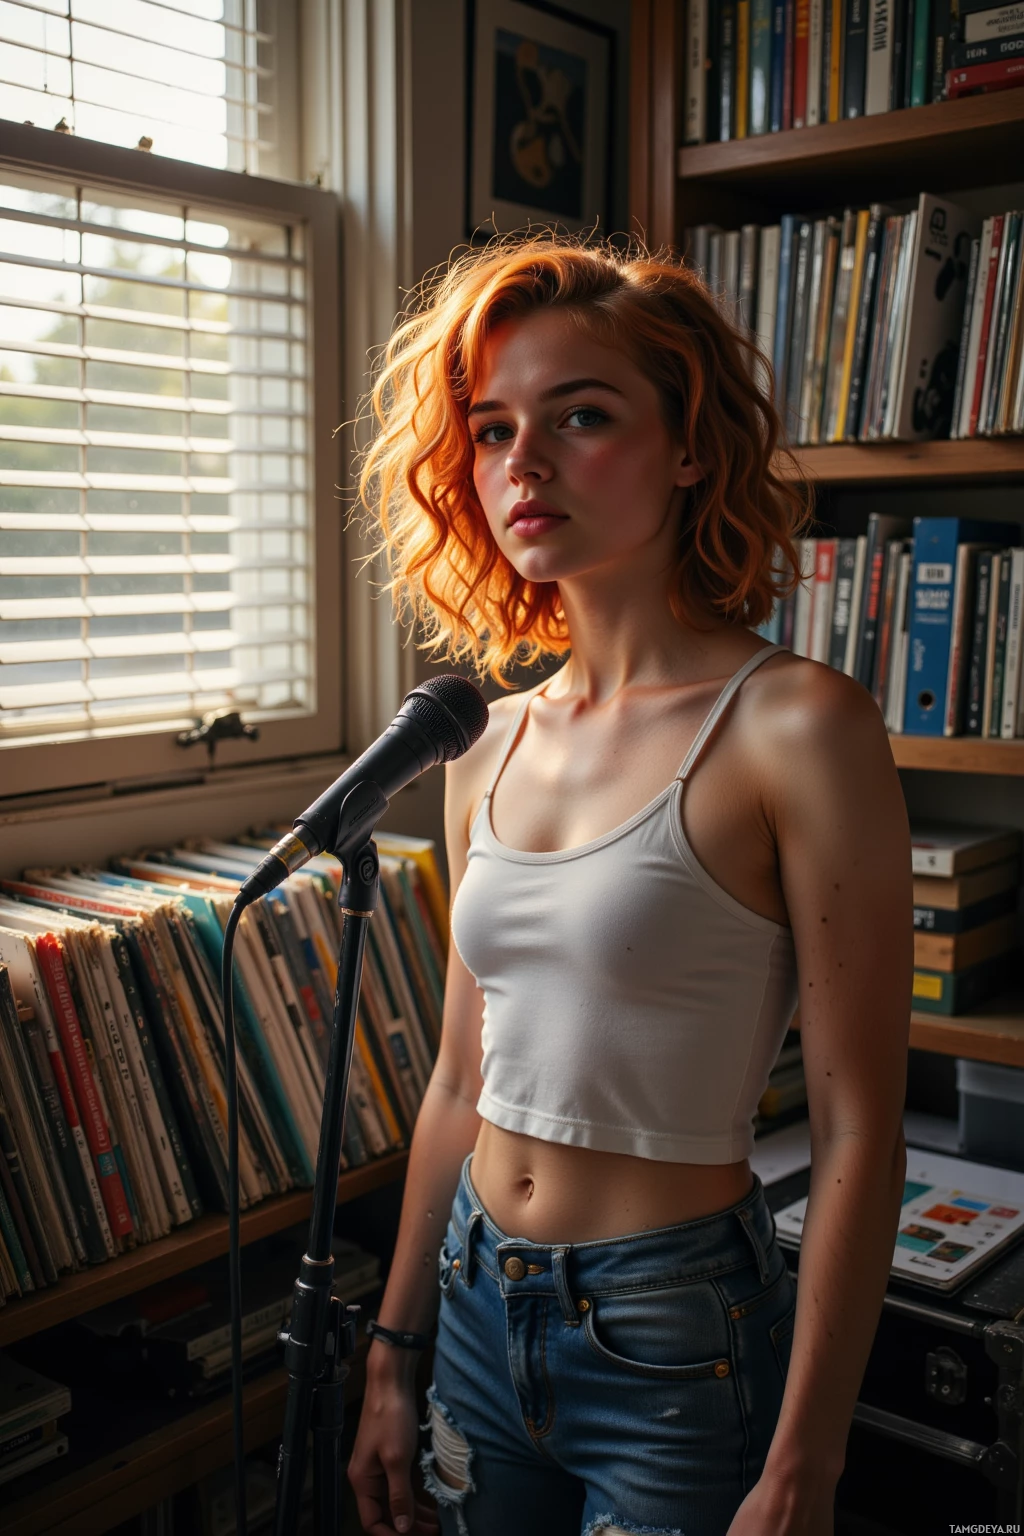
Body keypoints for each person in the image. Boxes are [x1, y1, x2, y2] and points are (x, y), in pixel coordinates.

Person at [347, 234, 912, 1536]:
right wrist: (393, 1347)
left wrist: (808, 1461)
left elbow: (859, 1130)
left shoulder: (795, 727)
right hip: (472, 1302)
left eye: (582, 415)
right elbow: (459, 1081)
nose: (523, 464)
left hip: (674, 1333)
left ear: (691, 446)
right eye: (492, 431)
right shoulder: (481, 741)